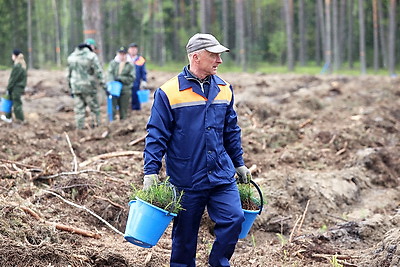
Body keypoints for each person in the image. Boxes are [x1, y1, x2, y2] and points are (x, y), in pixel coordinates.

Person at [143, 33, 252, 267]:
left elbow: (231, 130)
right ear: (196, 56)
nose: (219, 61)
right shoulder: (169, 92)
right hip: (186, 178)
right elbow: (156, 135)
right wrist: (150, 171)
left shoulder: (224, 89)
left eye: (219, 56)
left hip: (221, 175)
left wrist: (239, 163)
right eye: (214, 55)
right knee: (184, 238)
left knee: (234, 219)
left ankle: (218, 263)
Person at [67, 39, 105, 129]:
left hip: (75, 86)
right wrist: (104, 85)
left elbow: (68, 74)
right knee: (94, 108)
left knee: (79, 110)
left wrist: (70, 87)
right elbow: (98, 72)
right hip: (88, 87)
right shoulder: (91, 56)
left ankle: (80, 129)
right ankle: (96, 127)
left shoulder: (72, 57)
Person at [107, 46, 135, 120]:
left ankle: (123, 124)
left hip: (125, 90)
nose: (122, 56)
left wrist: (121, 79)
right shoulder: (113, 63)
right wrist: (112, 82)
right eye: (120, 54)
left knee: (123, 110)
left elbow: (132, 78)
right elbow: (109, 74)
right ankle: (111, 123)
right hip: (114, 89)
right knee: (112, 109)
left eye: (123, 54)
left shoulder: (130, 65)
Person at [1, 49, 27, 124]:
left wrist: (9, 88)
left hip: (16, 88)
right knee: (11, 101)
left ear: (15, 56)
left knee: (16, 104)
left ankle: (20, 119)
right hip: (19, 87)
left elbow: (13, 79)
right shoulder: (22, 65)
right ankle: (8, 117)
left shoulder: (17, 66)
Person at [127, 43, 147, 110]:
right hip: (126, 81)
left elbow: (143, 71)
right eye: (131, 49)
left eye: (134, 49)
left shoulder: (140, 59)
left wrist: (144, 80)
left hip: (136, 81)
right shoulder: (125, 58)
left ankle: (136, 109)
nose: (133, 50)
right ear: (128, 50)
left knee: (135, 96)